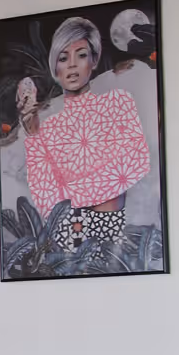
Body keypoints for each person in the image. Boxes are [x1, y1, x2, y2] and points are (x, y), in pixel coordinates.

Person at [16, 15, 150, 254]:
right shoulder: (50, 127)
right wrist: (33, 135)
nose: (72, 65)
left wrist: (68, 193)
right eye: (63, 58)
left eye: (81, 55)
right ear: (55, 67)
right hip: (67, 242)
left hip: (111, 234)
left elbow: (135, 163)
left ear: (94, 59)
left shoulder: (117, 103)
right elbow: (45, 199)